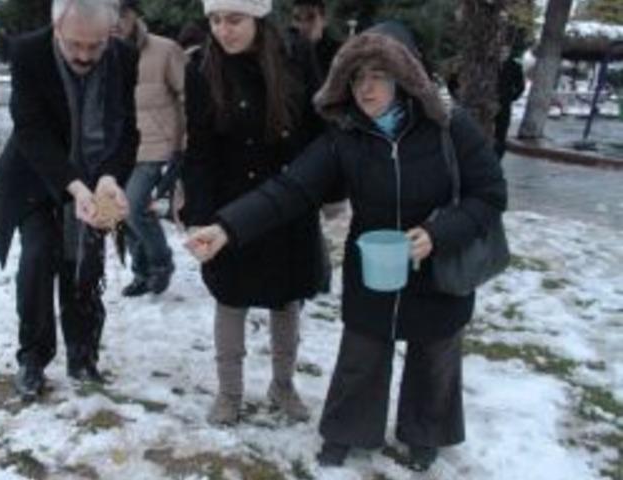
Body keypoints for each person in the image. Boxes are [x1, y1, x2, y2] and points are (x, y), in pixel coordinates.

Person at [186, 21, 507, 471]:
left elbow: (490, 194)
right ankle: (347, 430)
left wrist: (439, 234)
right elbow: (290, 189)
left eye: (378, 75)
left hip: (439, 265)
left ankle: (425, 432)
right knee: (363, 351)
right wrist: (226, 228)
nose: (366, 88)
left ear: (407, 78)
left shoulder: (449, 125)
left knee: (435, 353)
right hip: (374, 263)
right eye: (357, 77)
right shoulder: (346, 136)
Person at [0, 0, 139, 400]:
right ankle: (32, 359)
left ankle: (83, 355)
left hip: (95, 176)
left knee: (84, 264)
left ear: (111, 35)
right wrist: (74, 186)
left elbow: (127, 130)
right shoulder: (28, 53)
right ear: (56, 32)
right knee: (37, 260)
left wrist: (107, 179)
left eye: (95, 46)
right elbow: (30, 130)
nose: (85, 55)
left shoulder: (124, 58)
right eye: (75, 46)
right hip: (37, 176)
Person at [181, 0, 328, 426]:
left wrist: (323, 189)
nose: (223, 30)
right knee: (231, 298)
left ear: (258, 17)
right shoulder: (202, 68)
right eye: (214, 19)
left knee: (287, 299)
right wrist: (199, 215)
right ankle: (230, 393)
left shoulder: (295, 55)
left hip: (290, 202)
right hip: (228, 205)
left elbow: (318, 130)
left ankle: (283, 384)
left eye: (234, 19)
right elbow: (200, 150)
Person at [114, 0, 185, 296]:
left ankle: (161, 263)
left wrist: (183, 146)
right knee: (121, 212)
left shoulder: (164, 50)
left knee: (132, 207)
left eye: (122, 13)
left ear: (135, 15)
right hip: (116, 150)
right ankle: (141, 272)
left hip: (156, 147)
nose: (115, 21)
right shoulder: (100, 51)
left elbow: (187, 97)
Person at [287, 0, 340, 89]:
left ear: (324, 20)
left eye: (311, 18)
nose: (303, 25)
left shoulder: (339, 53)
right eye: (297, 19)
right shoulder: (287, 55)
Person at [494, 45, 525, 160]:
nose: (502, 54)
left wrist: (511, 97)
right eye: (500, 51)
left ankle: (498, 157)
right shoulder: (490, 65)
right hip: (489, 101)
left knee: (501, 132)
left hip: (504, 103)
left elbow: (520, 86)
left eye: (505, 51)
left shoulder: (515, 66)